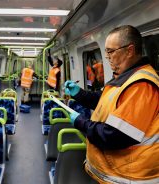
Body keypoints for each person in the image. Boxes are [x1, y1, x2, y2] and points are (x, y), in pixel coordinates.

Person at [65, 25, 159, 183]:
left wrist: (82, 123)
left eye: (110, 52)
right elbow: (104, 101)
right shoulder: (125, 77)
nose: (107, 58)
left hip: (129, 177)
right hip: (115, 173)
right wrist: (79, 94)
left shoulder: (141, 85)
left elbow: (116, 135)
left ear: (129, 50)